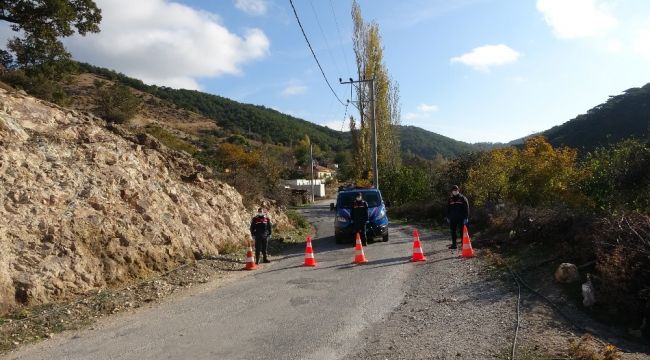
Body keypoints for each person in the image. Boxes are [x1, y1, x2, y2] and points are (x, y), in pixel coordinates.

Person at [445, 185, 469, 249]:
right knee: (453, 231)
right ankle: (454, 245)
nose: (455, 191)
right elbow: (448, 208)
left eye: (456, 190)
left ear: (458, 190)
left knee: (462, 232)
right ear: (452, 191)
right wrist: (447, 217)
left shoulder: (463, 198)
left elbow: (466, 208)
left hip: (461, 218)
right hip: (452, 218)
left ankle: (464, 245)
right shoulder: (450, 199)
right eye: (453, 190)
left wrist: (466, 217)